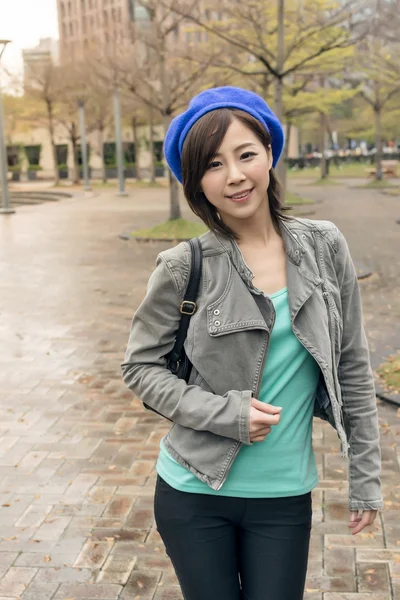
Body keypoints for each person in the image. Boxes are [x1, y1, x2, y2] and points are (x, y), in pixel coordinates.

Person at [121, 86, 383, 600]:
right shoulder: (183, 266)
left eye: (246, 155)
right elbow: (141, 368)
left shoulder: (325, 245)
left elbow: (352, 364)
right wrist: (227, 414)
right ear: (196, 181)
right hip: (193, 491)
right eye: (214, 164)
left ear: (269, 154)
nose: (235, 175)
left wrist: (366, 478)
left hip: (283, 495)